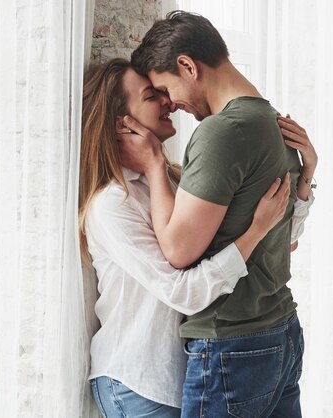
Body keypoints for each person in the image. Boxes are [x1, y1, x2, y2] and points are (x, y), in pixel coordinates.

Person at [79, 58, 316, 418]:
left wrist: (304, 179)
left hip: (186, 372)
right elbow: (183, 291)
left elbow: (277, 245)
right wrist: (254, 233)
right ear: (121, 124)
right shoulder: (112, 205)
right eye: (151, 96)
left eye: (162, 92)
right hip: (138, 382)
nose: (167, 102)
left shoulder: (172, 183)